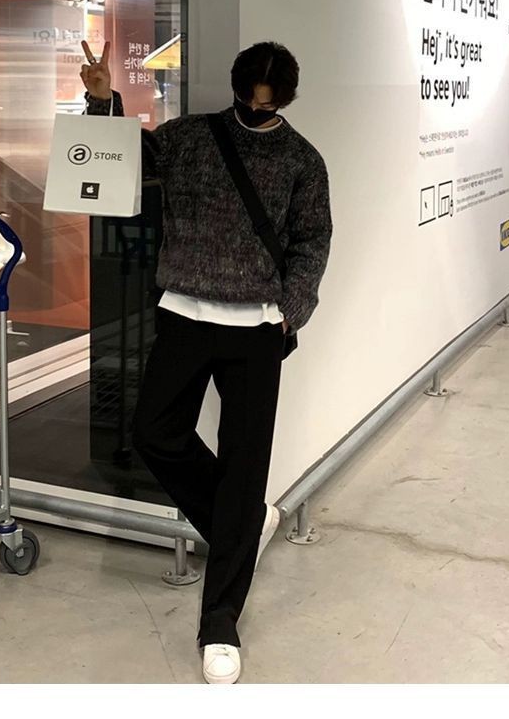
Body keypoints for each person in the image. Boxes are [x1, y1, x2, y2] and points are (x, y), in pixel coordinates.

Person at [79, 38, 332, 684]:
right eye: (248, 100)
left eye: (267, 106)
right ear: (236, 88)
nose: (254, 111)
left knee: (245, 465)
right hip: (184, 314)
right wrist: (103, 101)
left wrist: (292, 309)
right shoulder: (190, 137)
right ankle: (242, 526)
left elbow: (312, 240)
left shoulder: (303, 161)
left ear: (285, 102)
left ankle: (220, 622)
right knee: (154, 433)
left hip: (257, 328)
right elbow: (123, 162)